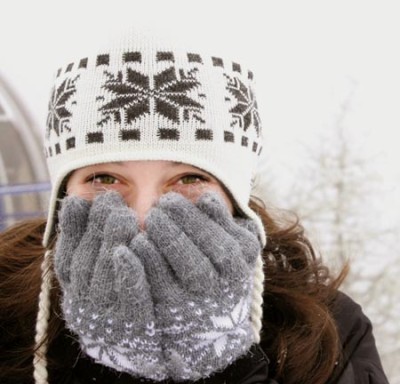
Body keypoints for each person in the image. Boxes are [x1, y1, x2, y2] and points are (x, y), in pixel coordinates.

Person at [0, 30, 389, 384]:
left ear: (233, 196)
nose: (143, 214)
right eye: (105, 179)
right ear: (63, 194)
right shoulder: (7, 317)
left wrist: (221, 359)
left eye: (188, 179)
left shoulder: (325, 331)